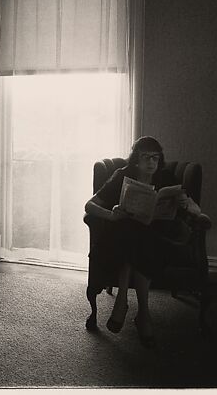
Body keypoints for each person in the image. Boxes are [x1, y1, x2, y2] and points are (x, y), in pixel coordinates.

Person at [84, 136, 200, 347]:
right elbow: (89, 206)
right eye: (145, 157)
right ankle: (143, 314)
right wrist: (112, 214)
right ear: (136, 159)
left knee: (139, 238)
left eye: (155, 157)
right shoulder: (122, 176)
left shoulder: (165, 178)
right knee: (132, 231)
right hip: (125, 237)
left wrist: (184, 203)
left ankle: (122, 303)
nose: (151, 162)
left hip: (156, 239)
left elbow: (192, 209)